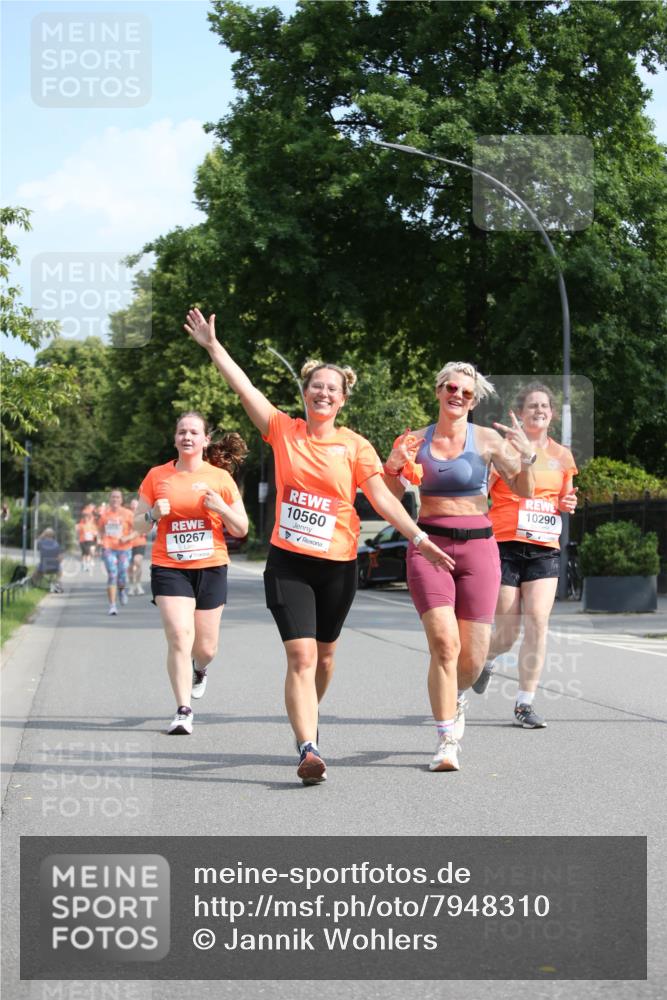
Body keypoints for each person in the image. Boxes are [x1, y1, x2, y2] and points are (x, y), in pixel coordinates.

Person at [184, 307, 453, 786]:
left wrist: (419, 537)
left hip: (338, 566)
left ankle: (306, 714)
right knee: (301, 658)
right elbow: (244, 388)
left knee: (325, 658)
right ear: (304, 393)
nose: (322, 393)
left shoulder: (355, 446)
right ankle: (308, 747)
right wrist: (212, 346)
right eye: (315, 386)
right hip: (289, 563)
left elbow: (381, 500)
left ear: (342, 399)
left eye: (332, 388)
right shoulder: (283, 431)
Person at [383, 362, 536, 772]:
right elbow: (388, 494)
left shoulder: (485, 440)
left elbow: (525, 489)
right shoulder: (414, 440)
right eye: (452, 388)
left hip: (480, 550)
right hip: (429, 546)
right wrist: (395, 464)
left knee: (470, 659)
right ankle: (446, 738)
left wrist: (528, 456)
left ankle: (457, 694)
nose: (458, 396)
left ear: (474, 401)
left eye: (467, 393)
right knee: (444, 645)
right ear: (438, 390)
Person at [132, 413, 249, 736]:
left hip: (210, 565)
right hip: (170, 567)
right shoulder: (157, 476)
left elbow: (241, 528)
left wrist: (220, 508)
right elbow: (136, 524)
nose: (187, 437)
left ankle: (201, 669)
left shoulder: (220, 478)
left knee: (206, 646)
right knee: (180, 636)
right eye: (182, 432)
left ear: (205, 440)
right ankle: (183, 710)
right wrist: (153, 514)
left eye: (194, 432)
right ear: (175, 439)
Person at [472, 382, 578, 727]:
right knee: (506, 633)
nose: (539, 411)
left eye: (544, 406)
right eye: (532, 406)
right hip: (503, 544)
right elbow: (478, 495)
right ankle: (482, 659)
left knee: (538, 620)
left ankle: (524, 704)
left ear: (551, 414)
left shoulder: (563, 456)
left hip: (544, 548)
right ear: (518, 414)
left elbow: (564, 498)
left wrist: (568, 504)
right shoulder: (503, 450)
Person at [97, 489, 135, 615]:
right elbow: (100, 531)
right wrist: (99, 540)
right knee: (112, 574)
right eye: (113, 497)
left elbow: (137, 530)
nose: (115, 500)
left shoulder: (128, 514)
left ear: (121, 500)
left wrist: (128, 537)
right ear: (110, 499)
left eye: (118, 497)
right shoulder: (105, 515)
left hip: (124, 548)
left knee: (122, 574)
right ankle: (112, 606)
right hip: (108, 547)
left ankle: (122, 590)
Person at [32, 527, 63, 592]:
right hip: (55, 569)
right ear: (53, 535)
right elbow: (60, 558)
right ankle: (57, 582)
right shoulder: (57, 544)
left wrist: (42, 534)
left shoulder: (41, 543)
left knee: (36, 571)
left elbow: (37, 541)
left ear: (45, 535)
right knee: (60, 568)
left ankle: (35, 585)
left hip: (43, 568)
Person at [127, 498, 147, 595]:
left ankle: (138, 584)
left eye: (136, 506)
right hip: (128, 544)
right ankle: (131, 585)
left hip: (140, 542)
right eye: (133, 506)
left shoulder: (142, 516)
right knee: (130, 566)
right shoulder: (126, 516)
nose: (134, 508)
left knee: (137, 561)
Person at [76, 507, 97, 574]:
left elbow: (95, 531)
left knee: (89, 552)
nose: (86, 519)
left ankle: (88, 563)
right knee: (84, 554)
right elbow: (77, 530)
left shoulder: (92, 524)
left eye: (87, 517)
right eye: (85, 517)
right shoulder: (81, 524)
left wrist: (95, 535)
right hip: (82, 540)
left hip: (90, 540)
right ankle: (84, 564)